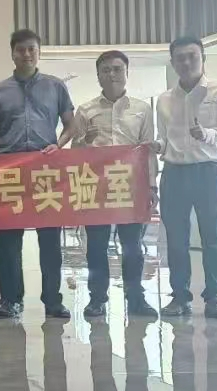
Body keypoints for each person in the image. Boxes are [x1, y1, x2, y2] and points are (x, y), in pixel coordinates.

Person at [0, 29, 75, 319]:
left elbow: (71, 125)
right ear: (12, 53)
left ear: (39, 52)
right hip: (10, 173)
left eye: (31, 49)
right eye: (20, 49)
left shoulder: (56, 86)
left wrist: (58, 145)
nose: (26, 54)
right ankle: (11, 299)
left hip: (45, 172)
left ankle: (53, 300)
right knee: (7, 242)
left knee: (50, 241)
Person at [70, 51, 160, 320]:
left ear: (126, 73)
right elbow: (75, 152)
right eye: (106, 70)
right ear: (98, 75)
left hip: (130, 186)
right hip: (96, 187)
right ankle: (97, 298)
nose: (112, 74)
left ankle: (136, 298)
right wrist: (83, 142)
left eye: (117, 69)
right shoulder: (85, 111)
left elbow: (147, 151)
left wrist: (152, 187)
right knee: (96, 246)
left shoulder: (142, 110)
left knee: (132, 245)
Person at [157, 36, 217, 320]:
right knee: (175, 239)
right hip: (174, 173)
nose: (186, 62)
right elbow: (165, 138)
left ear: (203, 58)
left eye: (192, 56)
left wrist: (208, 134)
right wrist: (158, 146)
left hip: (207, 172)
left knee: (213, 238)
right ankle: (179, 297)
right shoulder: (164, 100)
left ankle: (214, 298)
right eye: (180, 58)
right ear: (173, 63)